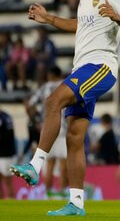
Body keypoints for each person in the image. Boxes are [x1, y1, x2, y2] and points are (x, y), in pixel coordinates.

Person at [10, 0, 120, 216]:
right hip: (82, 67)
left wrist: (116, 16)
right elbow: (80, 25)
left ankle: (35, 165)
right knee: (73, 137)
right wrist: (48, 19)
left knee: (53, 100)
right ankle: (77, 203)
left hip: (101, 66)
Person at [25, 66, 67, 199]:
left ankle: (48, 194)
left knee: (49, 164)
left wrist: (36, 121)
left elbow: (29, 105)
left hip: (47, 129)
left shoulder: (44, 88)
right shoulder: (66, 85)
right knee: (64, 164)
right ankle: (62, 193)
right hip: (63, 129)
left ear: (50, 75)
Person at [0, 109, 16, 199]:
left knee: (8, 180)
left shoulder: (6, 117)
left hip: (6, 155)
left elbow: (9, 136)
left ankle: (11, 200)